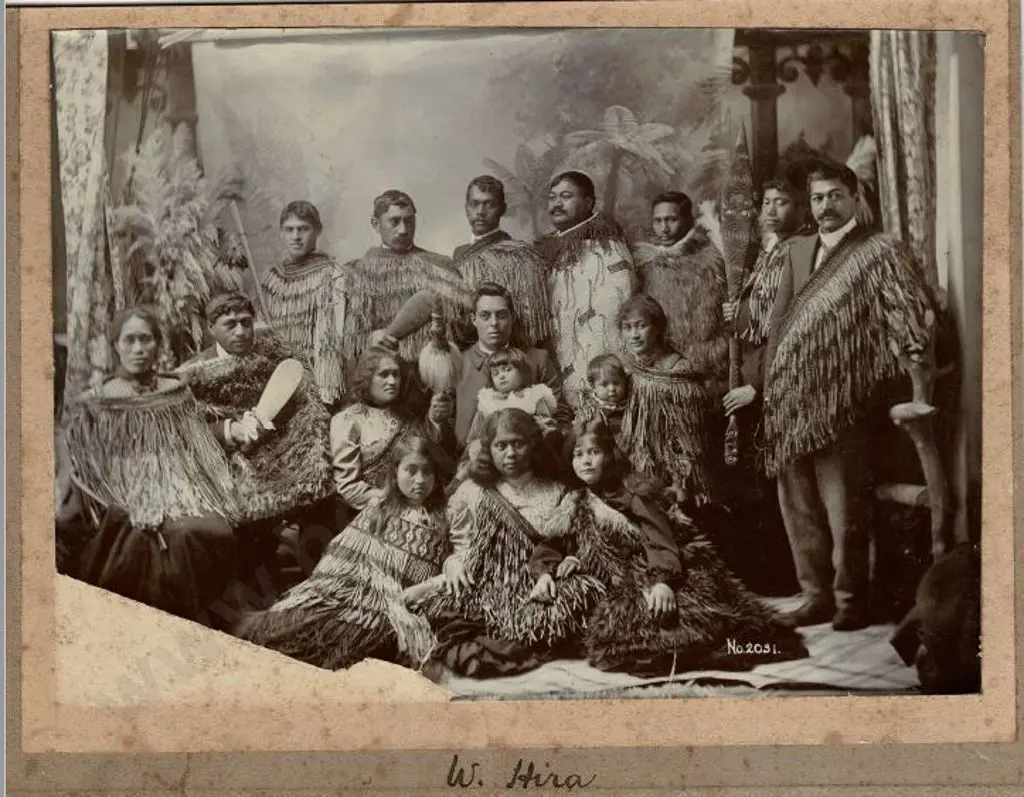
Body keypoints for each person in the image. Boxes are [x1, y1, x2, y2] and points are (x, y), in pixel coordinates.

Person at [761, 159, 937, 631]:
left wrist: (917, 380)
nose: (825, 207)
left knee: (845, 510)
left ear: (856, 198)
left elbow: (905, 320)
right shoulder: (797, 251)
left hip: (846, 402)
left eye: (836, 196)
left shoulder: (880, 251)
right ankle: (814, 595)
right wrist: (771, 390)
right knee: (797, 505)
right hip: (790, 402)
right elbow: (779, 324)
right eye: (817, 198)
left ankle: (850, 602)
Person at [550, 420, 806, 676]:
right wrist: (573, 557)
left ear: (608, 454)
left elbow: (658, 538)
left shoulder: (632, 493)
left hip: (657, 565)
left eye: (594, 452)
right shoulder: (576, 499)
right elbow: (568, 538)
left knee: (665, 621)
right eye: (578, 454)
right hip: (614, 576)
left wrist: (662, 581)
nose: (586, 461)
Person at [56, 306, 241, 629]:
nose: (138, 349)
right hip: (121, 492)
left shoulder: (174, 392)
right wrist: (131, 488)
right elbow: (90, 467)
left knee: (210, 528)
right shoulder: (98, 402)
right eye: (129, 340)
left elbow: (198, 448)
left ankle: (198, 622)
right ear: (116, 345)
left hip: (182, 488)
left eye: (146, 340)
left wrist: (191, 486)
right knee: (155, 536)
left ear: (158, 344)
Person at [421, 408, 610, 678]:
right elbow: (458, 544)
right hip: (490, 582)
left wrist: (567, 561)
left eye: (518, 444)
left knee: (583, 598)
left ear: (532, 445)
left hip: (543, 582)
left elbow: (570, 541)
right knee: (456, 617)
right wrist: (453, 564)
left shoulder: (556, 489)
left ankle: (528, 632)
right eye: (501, 446)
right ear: (489, 449)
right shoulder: (472, 492)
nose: (510, 454)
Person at [234, 437, 450, 671]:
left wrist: (422, 588)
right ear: (395, 473)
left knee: (366, 637)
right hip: (351, 590)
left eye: (427, 472)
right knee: (299, 625)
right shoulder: (379, 508)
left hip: (399, 603)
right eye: (411, 470)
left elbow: (453, 564)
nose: (420, 480)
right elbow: (343, 556)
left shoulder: (444, 518)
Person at [177, 292, 335, 594]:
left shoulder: (274, 358)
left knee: (321, 495)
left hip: (281, 448)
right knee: (246, 514)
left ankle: (319, 581)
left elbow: (303, 404)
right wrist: (231, 430)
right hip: (227, 460)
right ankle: (261, 586)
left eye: (246, 323)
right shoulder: (193, 374)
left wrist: (268, 424)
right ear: (211, 328)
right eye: (230, 324)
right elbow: (187, 430)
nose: (240, 332)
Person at [715, 175, 808, 596]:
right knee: (752, 481)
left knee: (776, 482)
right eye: (767, 202)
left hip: (774, 379)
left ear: (801, 208)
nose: (772, 210)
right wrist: (738, 311)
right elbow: (756, 319)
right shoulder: (768, 251)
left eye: (783, 201)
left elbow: (786, 328)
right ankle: (760, 573)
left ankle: (784, 577)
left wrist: (758, 386)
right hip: (754, 370)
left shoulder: (801, 252)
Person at [331, 346, 457, 529]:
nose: (392, 381)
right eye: (383, 374)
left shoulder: (407, 416)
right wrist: (396, 502)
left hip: (419, 512)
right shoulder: (347, 420)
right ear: (367, 378)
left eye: (396, 374)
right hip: (371, 517)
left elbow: (431, 461)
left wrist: (436, 422)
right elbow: (348, 486)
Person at [538, 171, 635, 405]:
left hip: (596, 374)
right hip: (555, 367)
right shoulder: (547, 251)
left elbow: (610, 316)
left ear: (589, 203)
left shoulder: (607, 247)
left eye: (566, 196)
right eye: (552, 197)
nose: (557, 204)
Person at [342, 190, 470, 366]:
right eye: (394, 222)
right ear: (376, 224)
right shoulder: (356, 273)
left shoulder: (442, 268)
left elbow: (465, 329)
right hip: (380, 373)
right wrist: (369, 339)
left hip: (430, 373)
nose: (403, 230)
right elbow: (347, 338)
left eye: (409, 221)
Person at [616, 294, 715, 508]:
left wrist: (679, 476)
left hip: (675, 475)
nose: (634, 335)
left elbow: (688, 438)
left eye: (641, 326)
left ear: (658, 328)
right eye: (627, 328)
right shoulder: (628, 371)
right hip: (636, 468)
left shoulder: (678, 373)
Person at [454, 282, 571, 451]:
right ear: (474, 320)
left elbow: (561, 416)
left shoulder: (538, 359)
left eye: (501, 315)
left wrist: (551, 431)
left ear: (512, 317)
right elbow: (445, 426)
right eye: (485, 316)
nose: (493, 323)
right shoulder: (457, 363)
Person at [631, 191, 728, 394]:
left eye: (671, 220)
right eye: (657, 221)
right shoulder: (644, 265)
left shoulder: (710, 261)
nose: (664, 229)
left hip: (702, 369)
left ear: (687, 220)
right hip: (658, 368)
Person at [260, 201, 347, 406]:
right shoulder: (272, 279)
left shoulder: (332, 275)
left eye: (303, 229)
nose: (296, 237)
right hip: (277, 378)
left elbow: (331, 339)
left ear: (317, 231)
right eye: (289, 230)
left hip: (318, 380)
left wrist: (325, 390)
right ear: (281, 232)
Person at [450, 176, 552, 349]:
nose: (480, 211)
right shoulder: (458, 254)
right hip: (467, 354)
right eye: (474, 204)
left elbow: (532, 321)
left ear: (502, 209)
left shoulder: (520, 256)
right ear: (466, 208)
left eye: (489, 204)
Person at [464, 347, 558, 445]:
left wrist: (539, 427)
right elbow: (473, 439)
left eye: (507, 370)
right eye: (496, 373)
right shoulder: (488, 403)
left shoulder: (534, 397)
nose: (501, 376)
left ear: (523, 372)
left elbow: (547, 425)